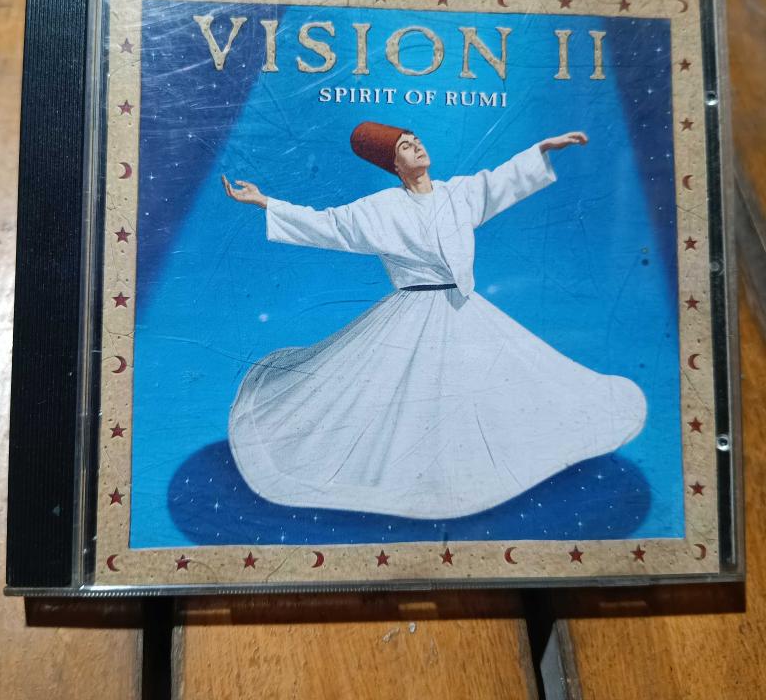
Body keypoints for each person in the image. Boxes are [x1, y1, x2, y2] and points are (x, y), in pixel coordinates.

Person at [221, 122, 647, 519]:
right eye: (406, 147)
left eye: (416, 140)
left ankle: (477, 465)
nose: (417, 147)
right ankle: (420, 476)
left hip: (463, 309)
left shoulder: (457, 193)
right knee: (412, 397)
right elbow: (329, 225)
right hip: (411, 313)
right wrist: (264, 202)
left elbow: (500, 181)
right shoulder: (380, 208)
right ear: (395, 164)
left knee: (491, 386)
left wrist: (542, 150)